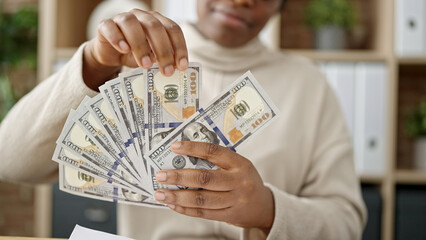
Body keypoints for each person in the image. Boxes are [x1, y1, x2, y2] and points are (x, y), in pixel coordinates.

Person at [0, 0, 367, 239]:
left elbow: (347, 223)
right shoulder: (135, 56)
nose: (242, 0)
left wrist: (268, 209)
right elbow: (10, 160)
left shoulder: (310, 85)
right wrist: (94, 64)